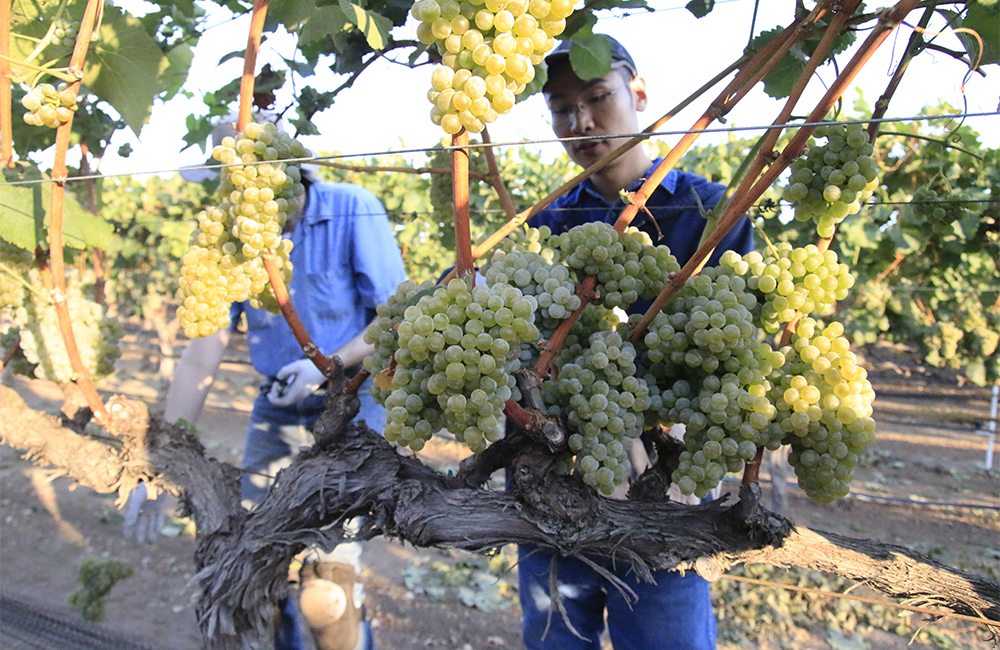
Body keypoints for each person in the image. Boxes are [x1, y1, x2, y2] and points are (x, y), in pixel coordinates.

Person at [515, 35, 755, 650]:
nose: (583, 121)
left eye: (598, 97)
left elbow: (741, 356)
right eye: (562, 107)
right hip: (561, 478)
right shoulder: (548, 223)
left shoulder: (710, 211)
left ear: (638, 93)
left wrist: (666, 459)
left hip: (668, 489)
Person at [153, 140, 407, 650]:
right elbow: (201, 355)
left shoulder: (351, 206)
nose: (237, 200)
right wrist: (162, 460)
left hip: (353, 399)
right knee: (257, 555)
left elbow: (395, 319)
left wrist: (329, 365)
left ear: (291, 178)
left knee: (329, 576)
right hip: (278, 403)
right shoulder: (232, 236)